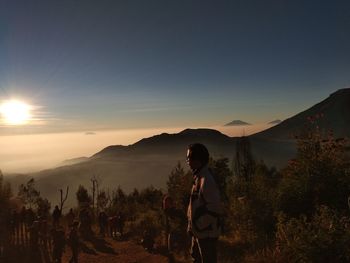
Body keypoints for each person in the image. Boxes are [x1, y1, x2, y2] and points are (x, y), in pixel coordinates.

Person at [186, 143, 223, 263]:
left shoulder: (206, 180)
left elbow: (215, 208)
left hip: (206, 235)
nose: (187, 161)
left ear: (197, 160)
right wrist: (192, 226)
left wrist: (198, 225)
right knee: (195, 257)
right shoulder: (199, 177)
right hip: (200, 232)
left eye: (189, 158)